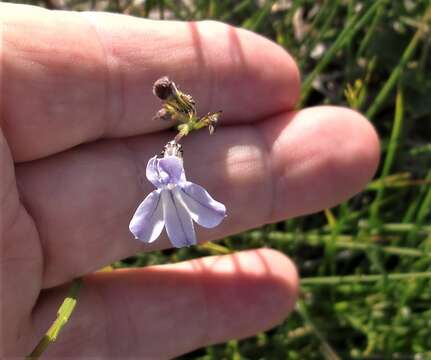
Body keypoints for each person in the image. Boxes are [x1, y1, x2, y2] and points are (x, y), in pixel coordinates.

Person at [0, 2, 380, 358]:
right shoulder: (169, 174)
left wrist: (182, 129)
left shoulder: (178, 176)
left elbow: (191, 196)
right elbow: (171, 188)